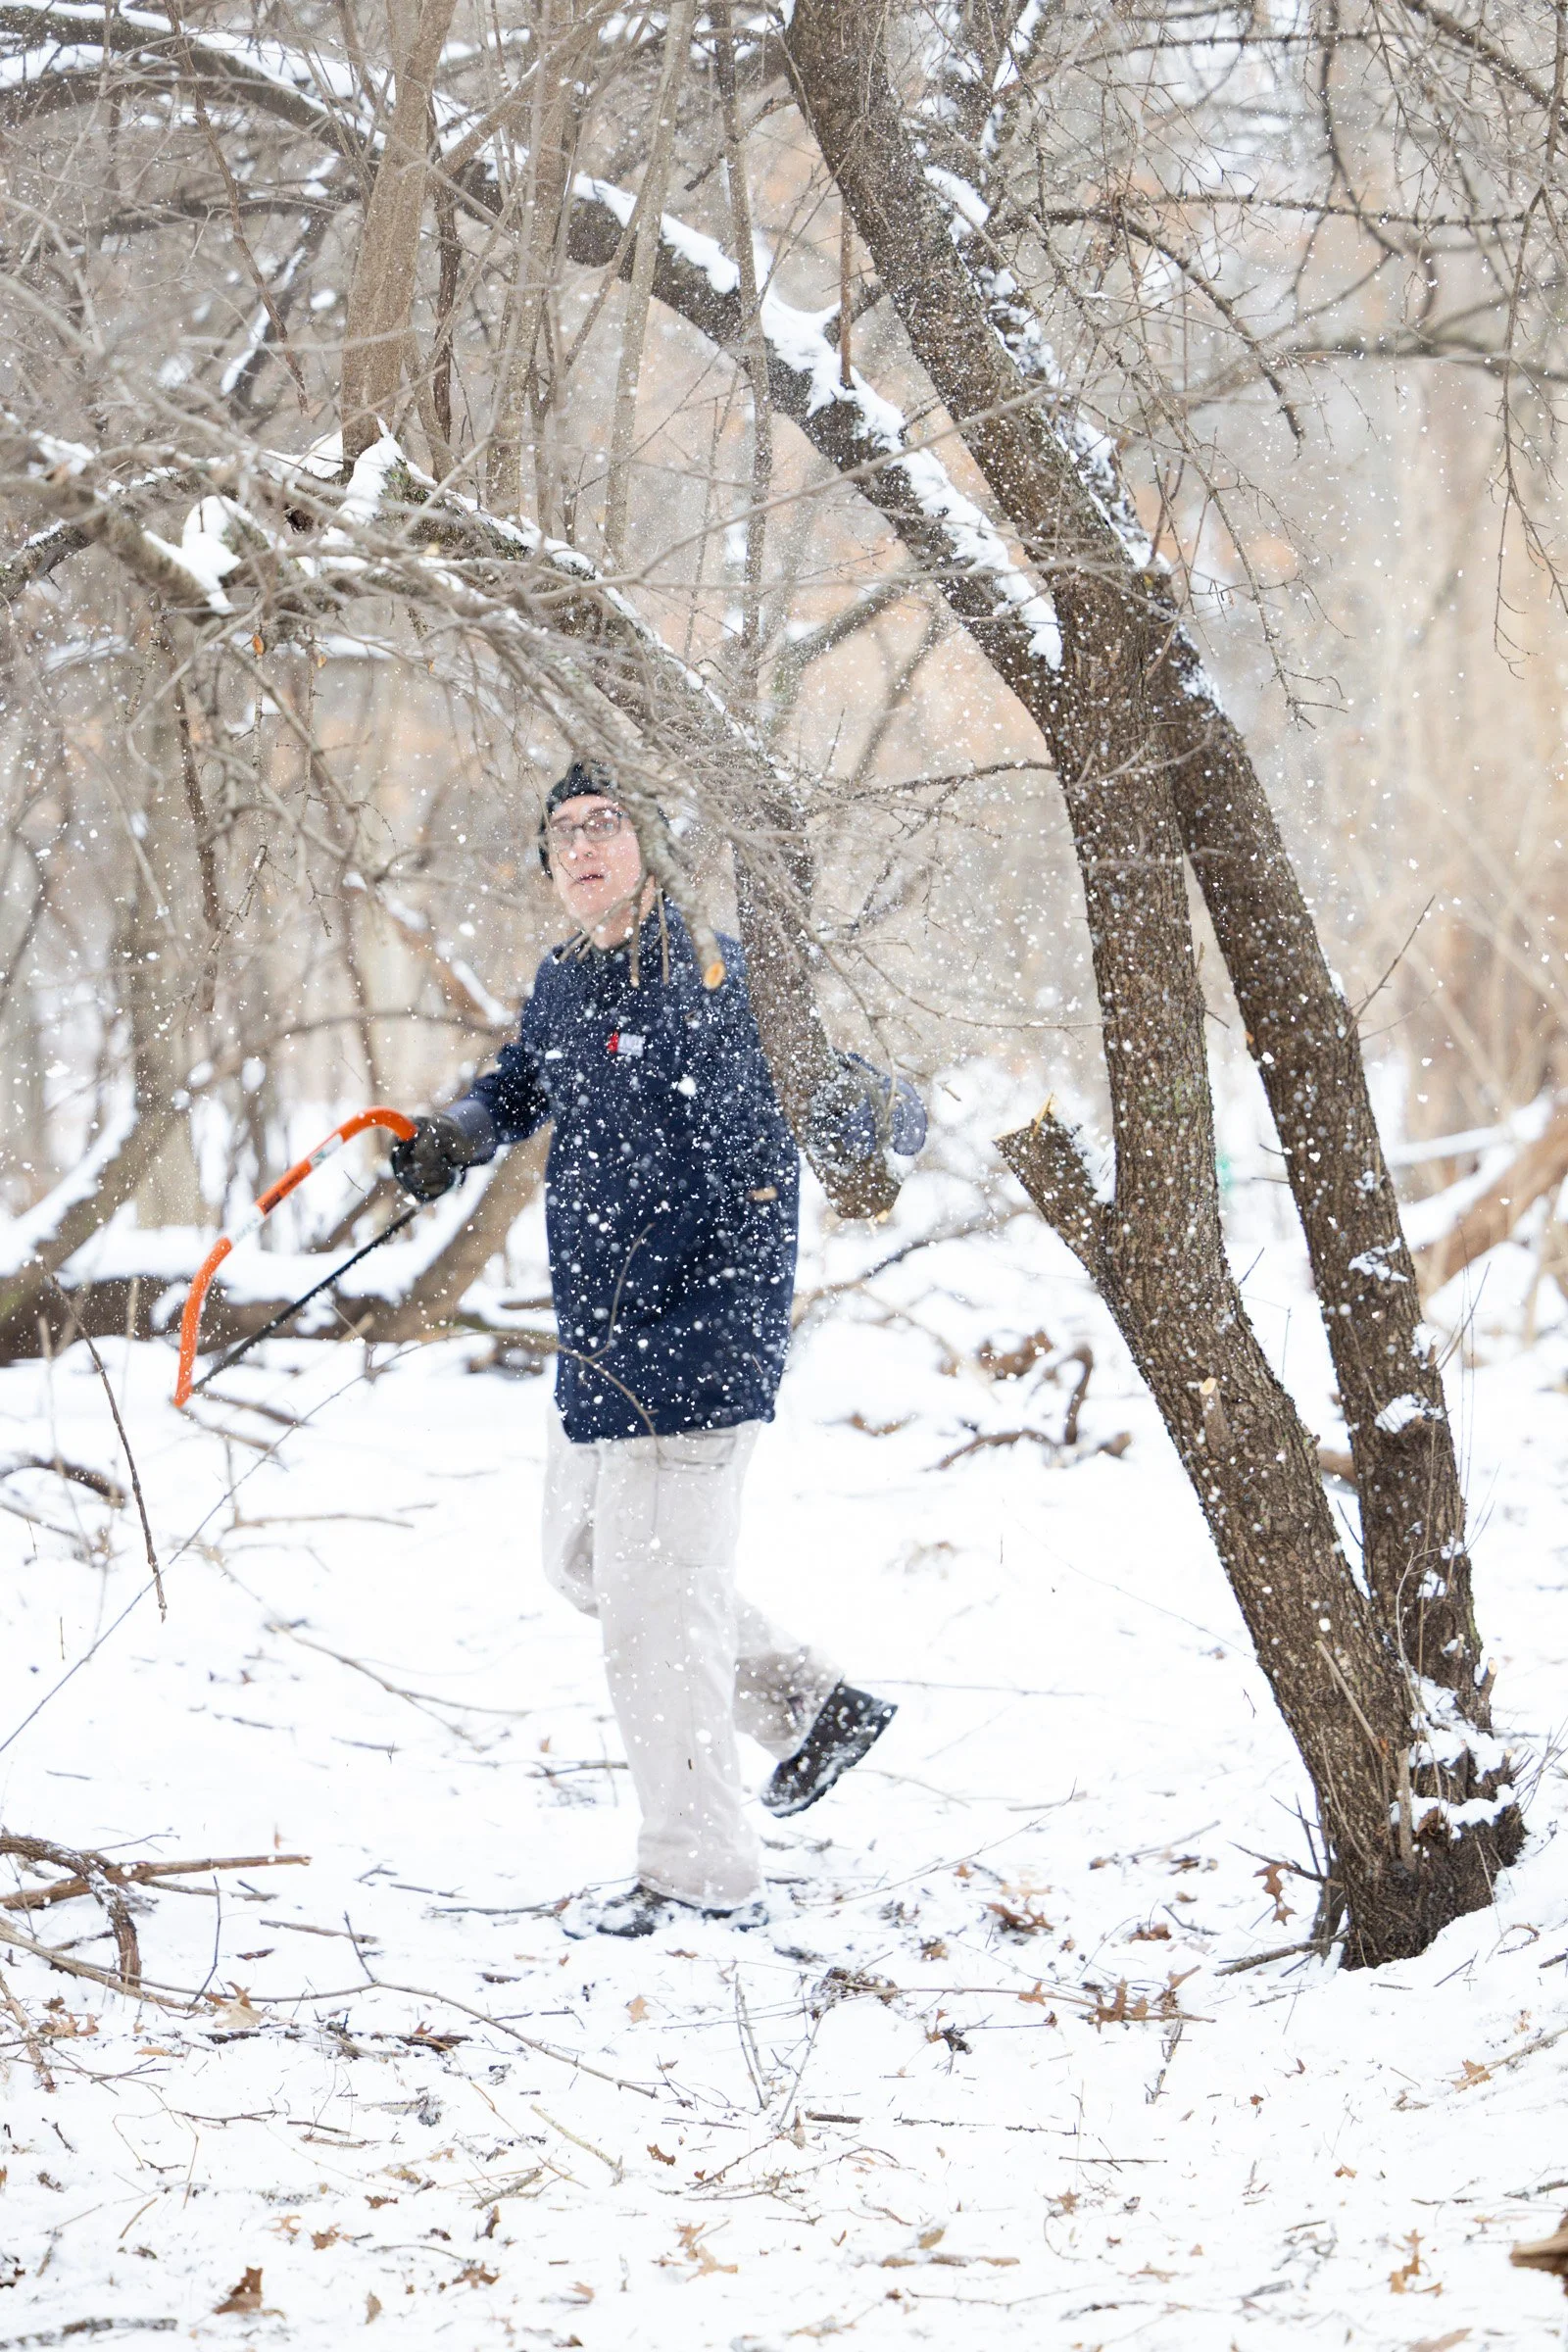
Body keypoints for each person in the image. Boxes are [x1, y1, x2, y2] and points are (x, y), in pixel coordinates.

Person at [390, 762, 925, 1937]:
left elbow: (806, 1125)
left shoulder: (709, 979)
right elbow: (530, 1076)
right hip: (602, 1339)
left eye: (606, 825)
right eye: (562, 832)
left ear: (652, 848)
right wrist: (461, 1132)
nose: (582, 847)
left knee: (651, 1620)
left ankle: (700, 1876)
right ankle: (813, 1709)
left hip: (687, 1347)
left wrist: (875, 1119)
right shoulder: (571, 978)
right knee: (585, 1558)